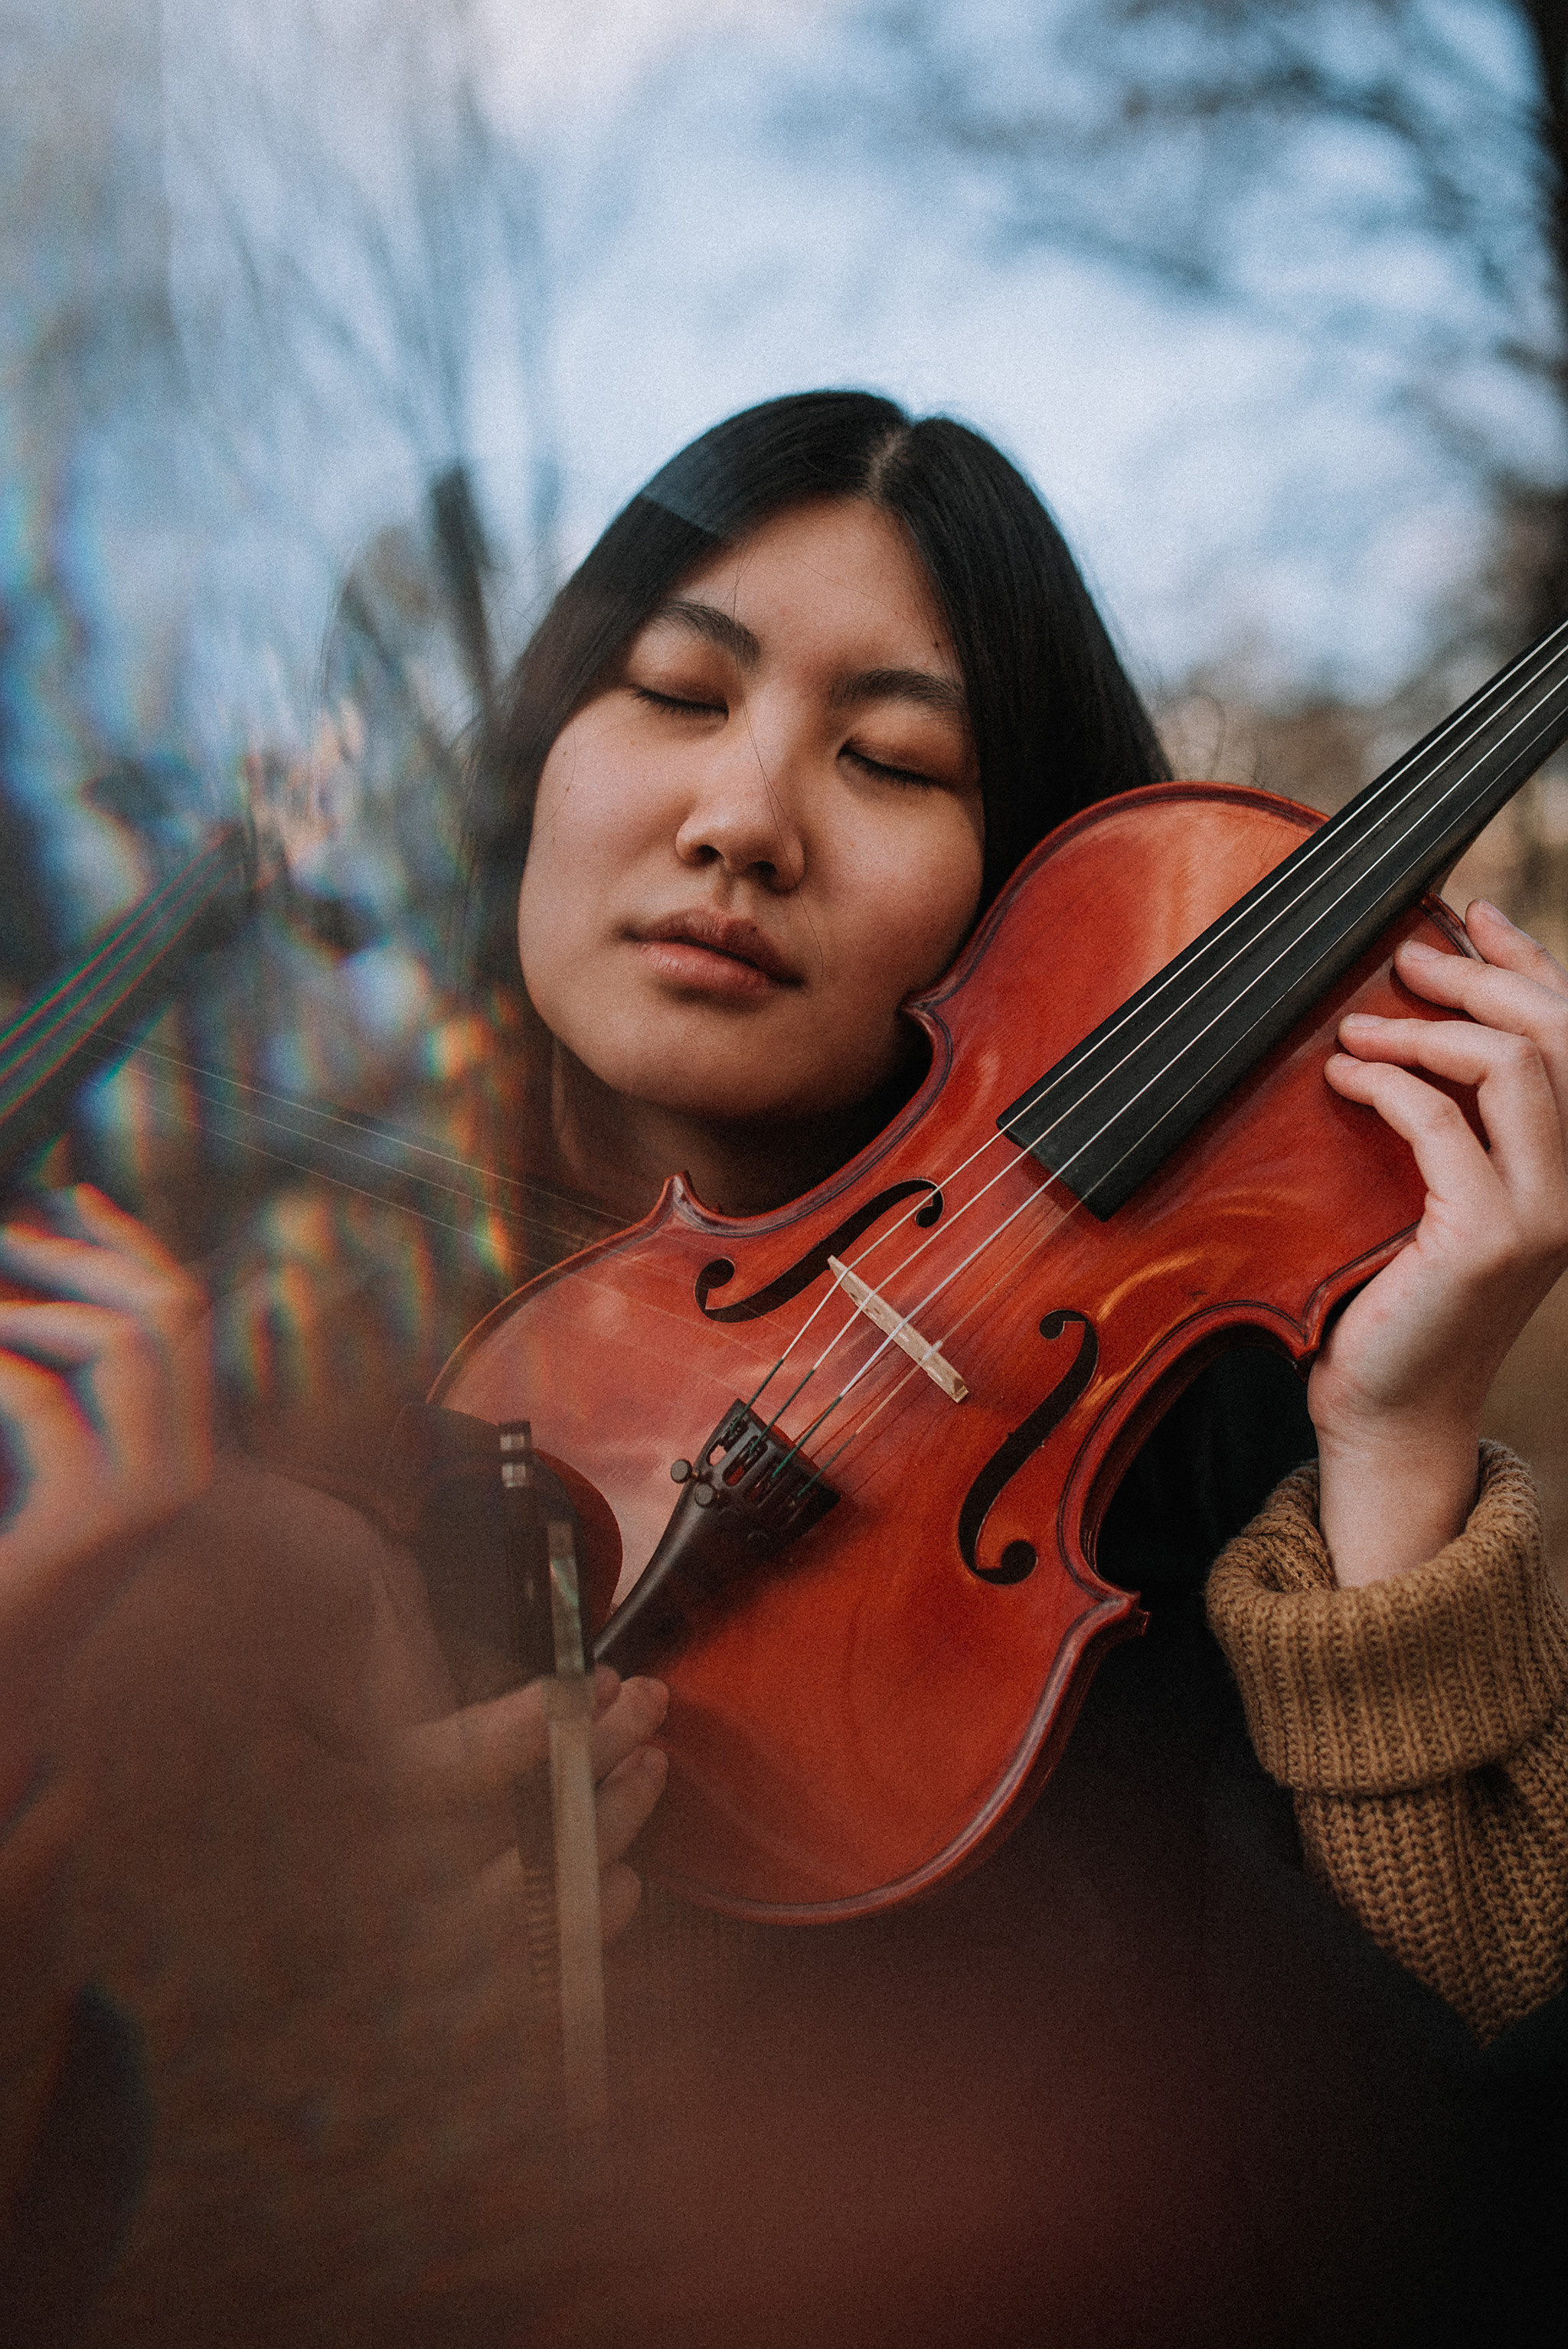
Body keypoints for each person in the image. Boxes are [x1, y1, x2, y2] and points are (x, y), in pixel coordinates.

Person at [3, 390, 1566, 2347]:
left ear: (1021, 890)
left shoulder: (1187, 1445)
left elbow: (1438, 2200)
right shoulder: (203, 1397)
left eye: (892, 756)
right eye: (674, 689)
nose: (743, 817)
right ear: (541, 758)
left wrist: (1400, 1453)